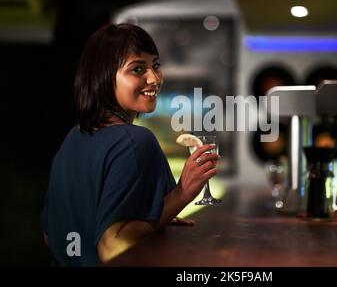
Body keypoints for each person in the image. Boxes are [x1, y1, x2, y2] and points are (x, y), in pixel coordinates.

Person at [41, 23, 219, 266]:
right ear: (103, 78)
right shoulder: (134, 141)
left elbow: (50, 237)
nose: (154, 78)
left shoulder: (73, 138)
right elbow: (113, 246)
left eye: (155, 65)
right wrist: (182, 193)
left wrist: (155, 218)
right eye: (137, 69)